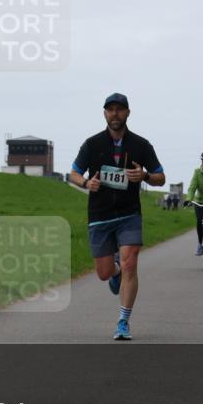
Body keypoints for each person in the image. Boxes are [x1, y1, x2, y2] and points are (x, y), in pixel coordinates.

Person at [69, 93, 165, 340]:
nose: (115, 114)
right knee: (103, 273)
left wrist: (144, 176)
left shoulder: (141, 145)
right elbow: (73, 173)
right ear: (104, 113)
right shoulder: (92, 144)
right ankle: (115, 273)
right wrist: (86, 183)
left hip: (129, 214)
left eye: (119, 109)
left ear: (128, 113)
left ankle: (123, 321)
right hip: (100, 215)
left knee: (130, 263)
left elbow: (160, 177)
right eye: (110, 109)